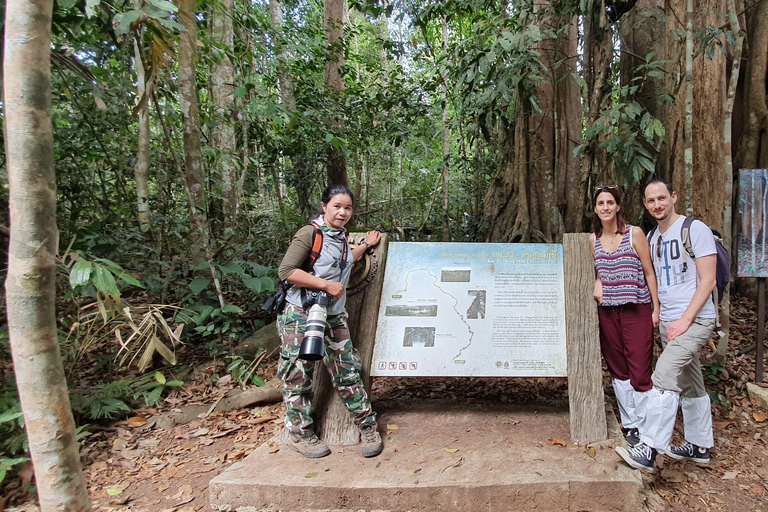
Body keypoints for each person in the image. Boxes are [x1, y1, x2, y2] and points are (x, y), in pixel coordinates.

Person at [616, 179, 718, 473]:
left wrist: (685, 320)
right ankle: (700, 446)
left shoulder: (693, 229)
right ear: (646, 204)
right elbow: (654, 279)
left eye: (662, 198)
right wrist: (657, 312)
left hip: (695, 319)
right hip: (669, 320)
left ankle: (649, 448)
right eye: (651, 201)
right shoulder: (651, 237)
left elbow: (708, 280)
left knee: (663, 374)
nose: (657, 205)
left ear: (673, 197)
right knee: (690, 382)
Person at [276, 184, 383, 459]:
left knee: (347, 368)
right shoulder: (310, 233)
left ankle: (367, 426)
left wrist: (365, 246)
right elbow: (286, 271)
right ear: (324, 207)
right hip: (301, 314)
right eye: (337, 206)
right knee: (297, 374)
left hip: (333, 314)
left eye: (347, 208)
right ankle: (301, 435)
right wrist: (325, 285)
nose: (343, 212)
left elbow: (344, 261)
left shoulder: (340, 237)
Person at [591, 187, 659, 448]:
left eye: (610, 202)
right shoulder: (593, 239)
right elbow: (597, 270)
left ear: (618, 206)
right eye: (600, 203)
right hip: (608, 311)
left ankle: (645, 426)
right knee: (618, 368)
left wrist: (656, 308)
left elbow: (649, 272)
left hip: (636, 308)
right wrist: (598, 280)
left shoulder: (634, 234)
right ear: (596, 209)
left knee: (640, 368)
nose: (606, 207)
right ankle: (630, 424)